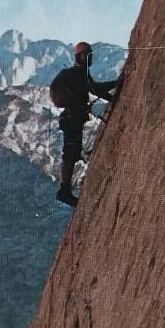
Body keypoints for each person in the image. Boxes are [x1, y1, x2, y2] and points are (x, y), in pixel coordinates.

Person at [54, 41, 120, 206]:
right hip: (72, 118)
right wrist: (117, 84)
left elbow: (93, 89)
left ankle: (65, 190)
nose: (91, 58)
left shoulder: (78, 73)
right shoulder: (79, 74)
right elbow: (95, 89)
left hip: (71, 118)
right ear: (82, 56)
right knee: (71, 152)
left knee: (73, 151)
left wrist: (113, 97)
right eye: (88, 55)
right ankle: (64, 190)